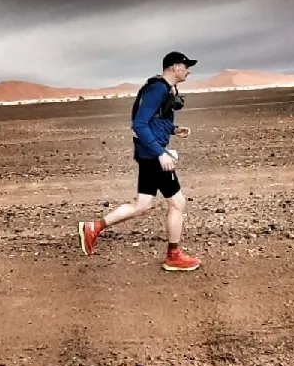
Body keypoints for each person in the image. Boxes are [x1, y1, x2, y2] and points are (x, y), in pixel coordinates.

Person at [78, 51, 202, 271]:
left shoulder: (163, 88)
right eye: (185, 66)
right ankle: (174, 256)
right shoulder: (158, 89)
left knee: (142, 205)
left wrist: (174, 129)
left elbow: (155, 121)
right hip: (153, 155)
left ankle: (93, 227)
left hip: (148, 154)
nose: (188, 71)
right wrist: (160, 153)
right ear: (174, 67)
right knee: (178, 203)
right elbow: (140, 124)